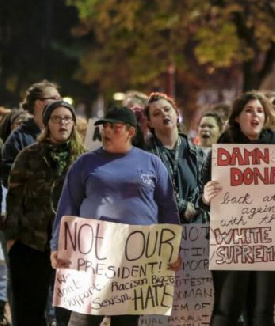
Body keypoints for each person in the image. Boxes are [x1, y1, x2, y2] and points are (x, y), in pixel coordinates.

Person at [49, 106, 180, 326]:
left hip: (138, 260)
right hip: (93, 258)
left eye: (113, 127)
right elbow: (67, 206)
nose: (106, 131)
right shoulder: (84, 163)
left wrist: (174, 247)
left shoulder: (152, 163)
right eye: (104, 126)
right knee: (84, 320)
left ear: (130, 131)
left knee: (126, 322)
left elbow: (168, 206)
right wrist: (56, 246)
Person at [200, 91, 275, 326]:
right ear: (237, 117)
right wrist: (207, 196)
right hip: (232, 240)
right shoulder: (221, 152)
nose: (254, 115)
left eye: (259, 110)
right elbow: (203, 196)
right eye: (248, 110)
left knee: (262, 312)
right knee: (226, 309)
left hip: (270, 241)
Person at [5, 100, 83, 326]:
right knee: (30, 308)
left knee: (70, 311)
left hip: (72, 245)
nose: (62, 123)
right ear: (47, 124)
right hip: (31, 242)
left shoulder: (84, 159)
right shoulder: (28, 156)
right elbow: (14, 198)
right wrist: (12, 238)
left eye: (67, 119)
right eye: (56, 118)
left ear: (73, 124)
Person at [145, 92, 207, 224]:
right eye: (156, 113)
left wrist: (194, 206)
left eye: (167, 110)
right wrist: (181, 206)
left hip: (195, 231)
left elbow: (206, 187)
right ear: (150, 123)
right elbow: (147, 192)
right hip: (161, 230)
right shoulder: (144, 156)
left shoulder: (196, 153)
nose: (164, 114)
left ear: (177, 114)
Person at [1, 81, 61, 186]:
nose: (60, 103)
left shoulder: (63, 133)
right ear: (39, 103)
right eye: (55, 99)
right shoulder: (18, 138)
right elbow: (8, 174)